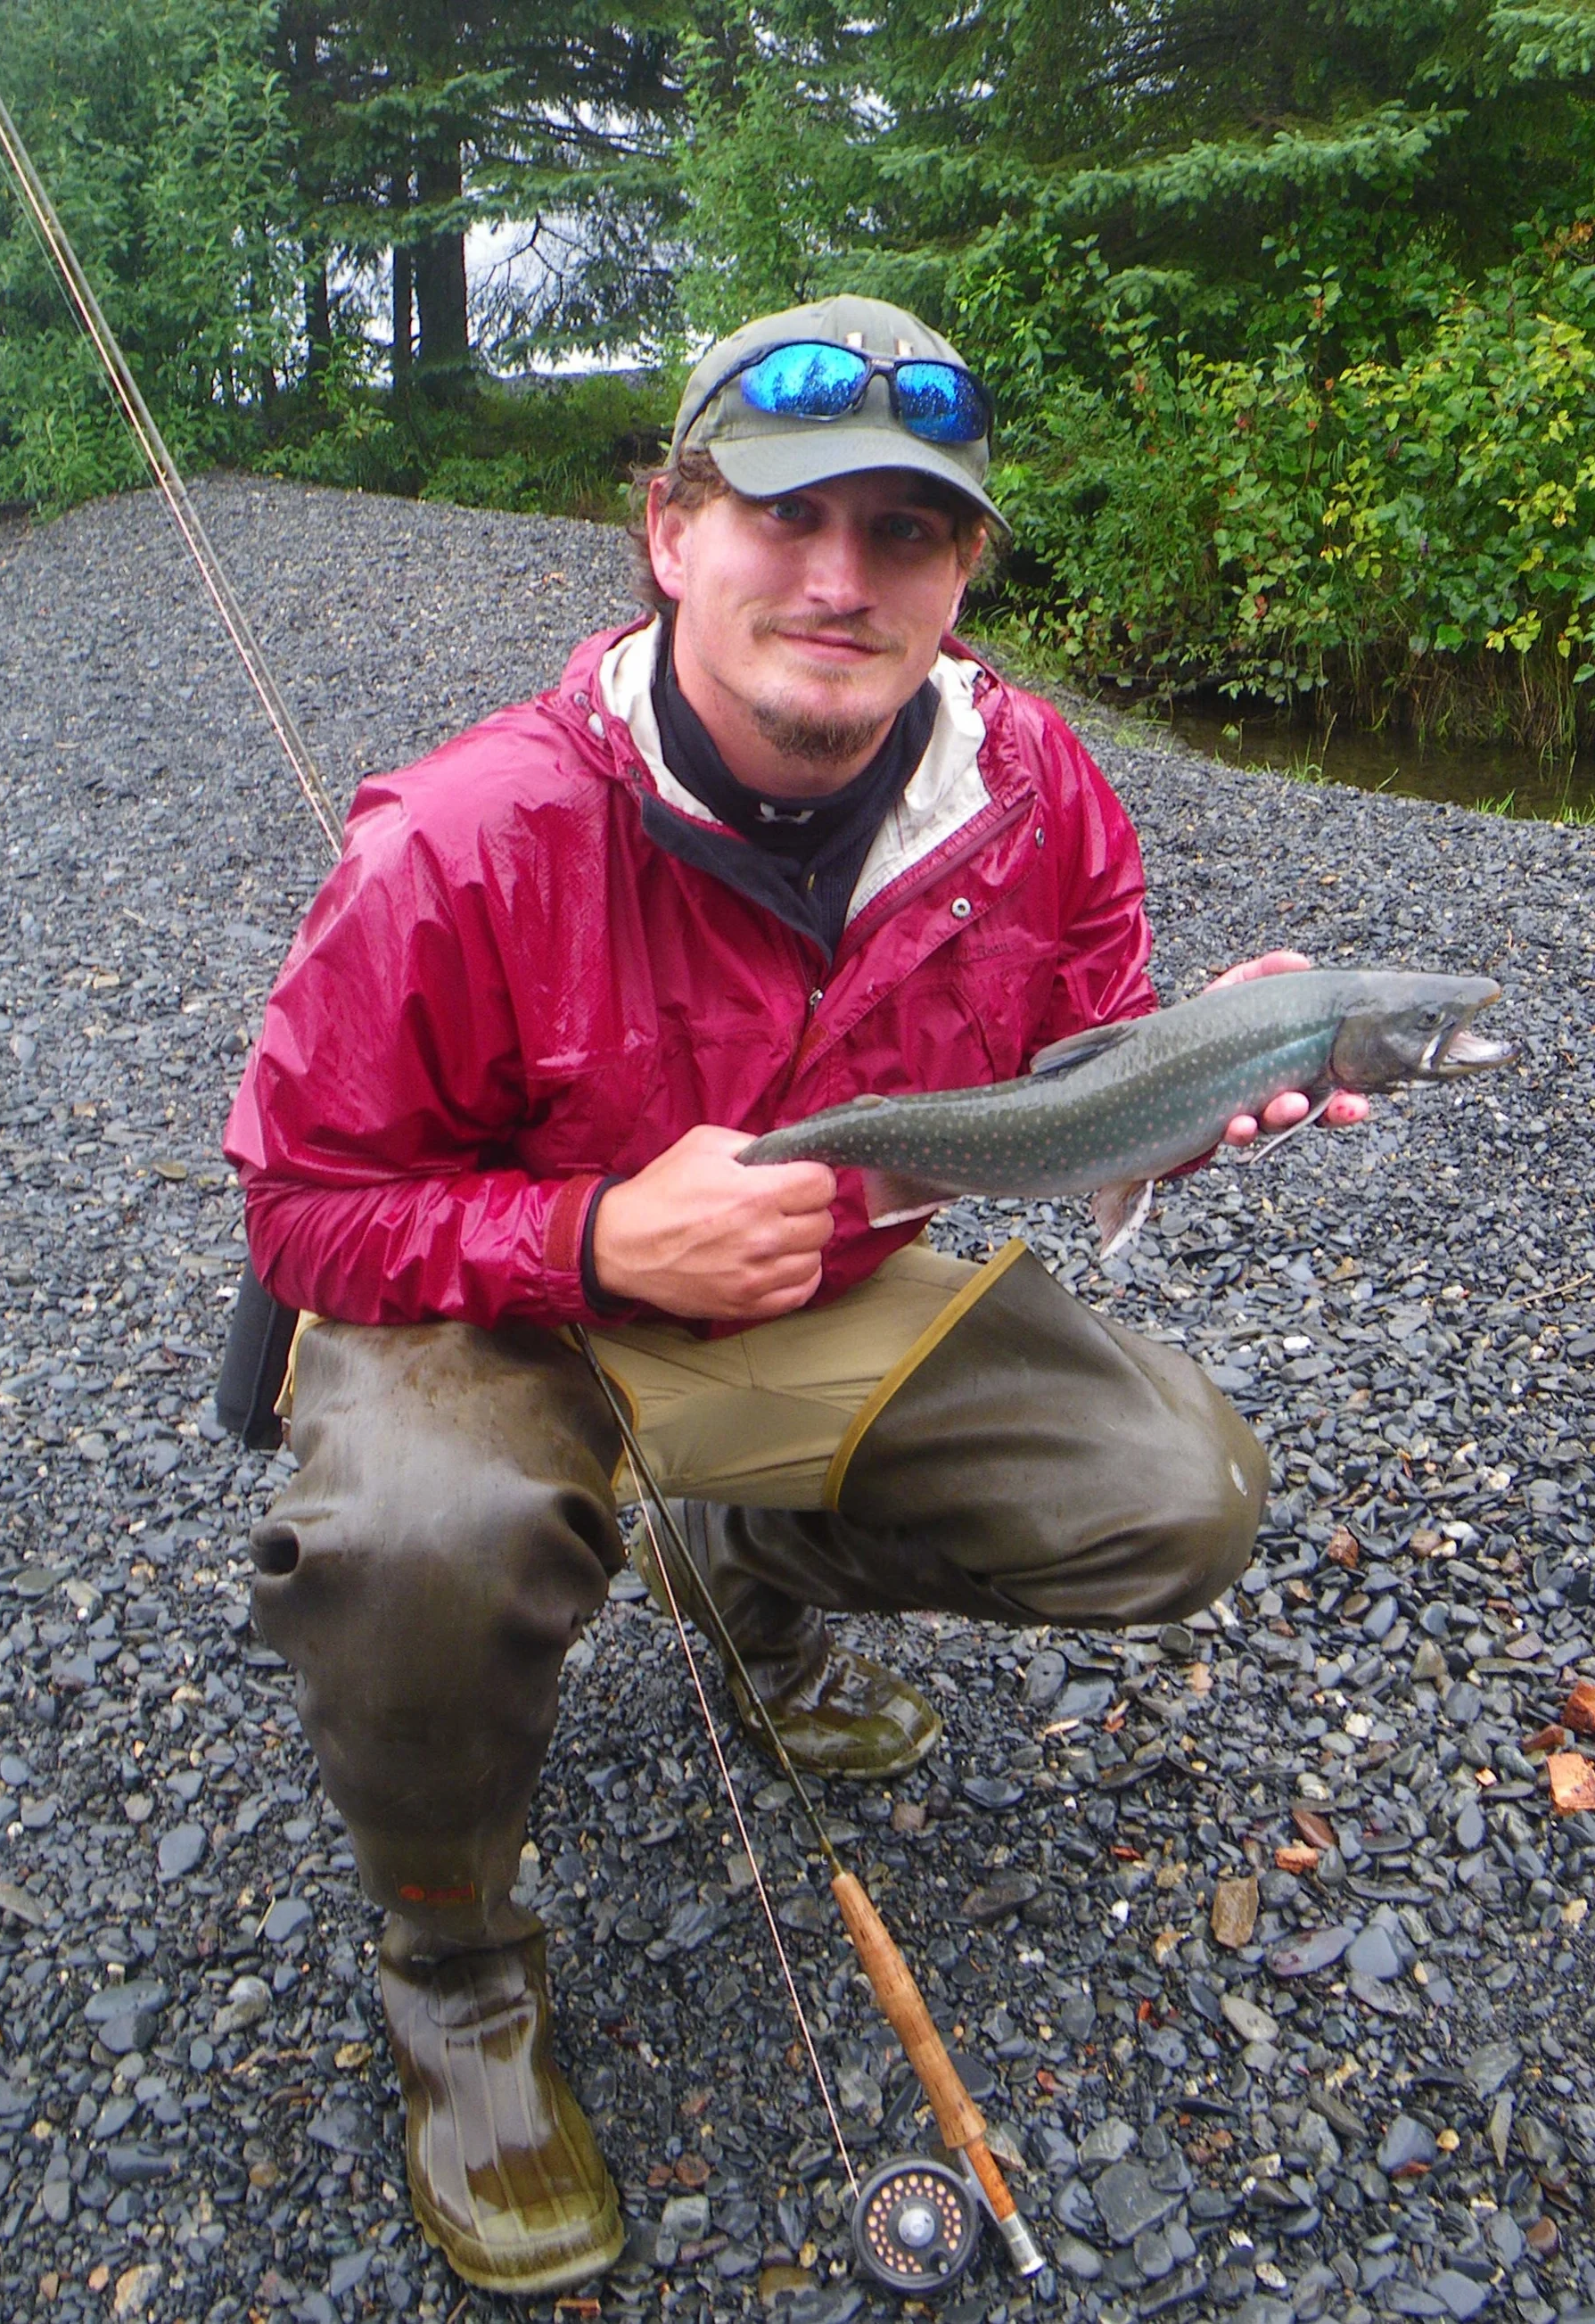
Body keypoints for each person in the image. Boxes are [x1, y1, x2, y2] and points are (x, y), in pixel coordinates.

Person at [223, 294, 1367, 2297]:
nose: (842, 580)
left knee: (1176, 1487)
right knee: (409, 1537)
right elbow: (299, 1203)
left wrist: (1194, 1080)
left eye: (904, 534)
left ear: (964, 569)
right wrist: (583, 1241)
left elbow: (1083, 1061)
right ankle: (457, 1971)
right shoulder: (466, 834)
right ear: (668, 529)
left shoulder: (1035, 794)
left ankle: (749, 1569)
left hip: (813, 1301)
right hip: (498, 1315)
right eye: (785, 516)